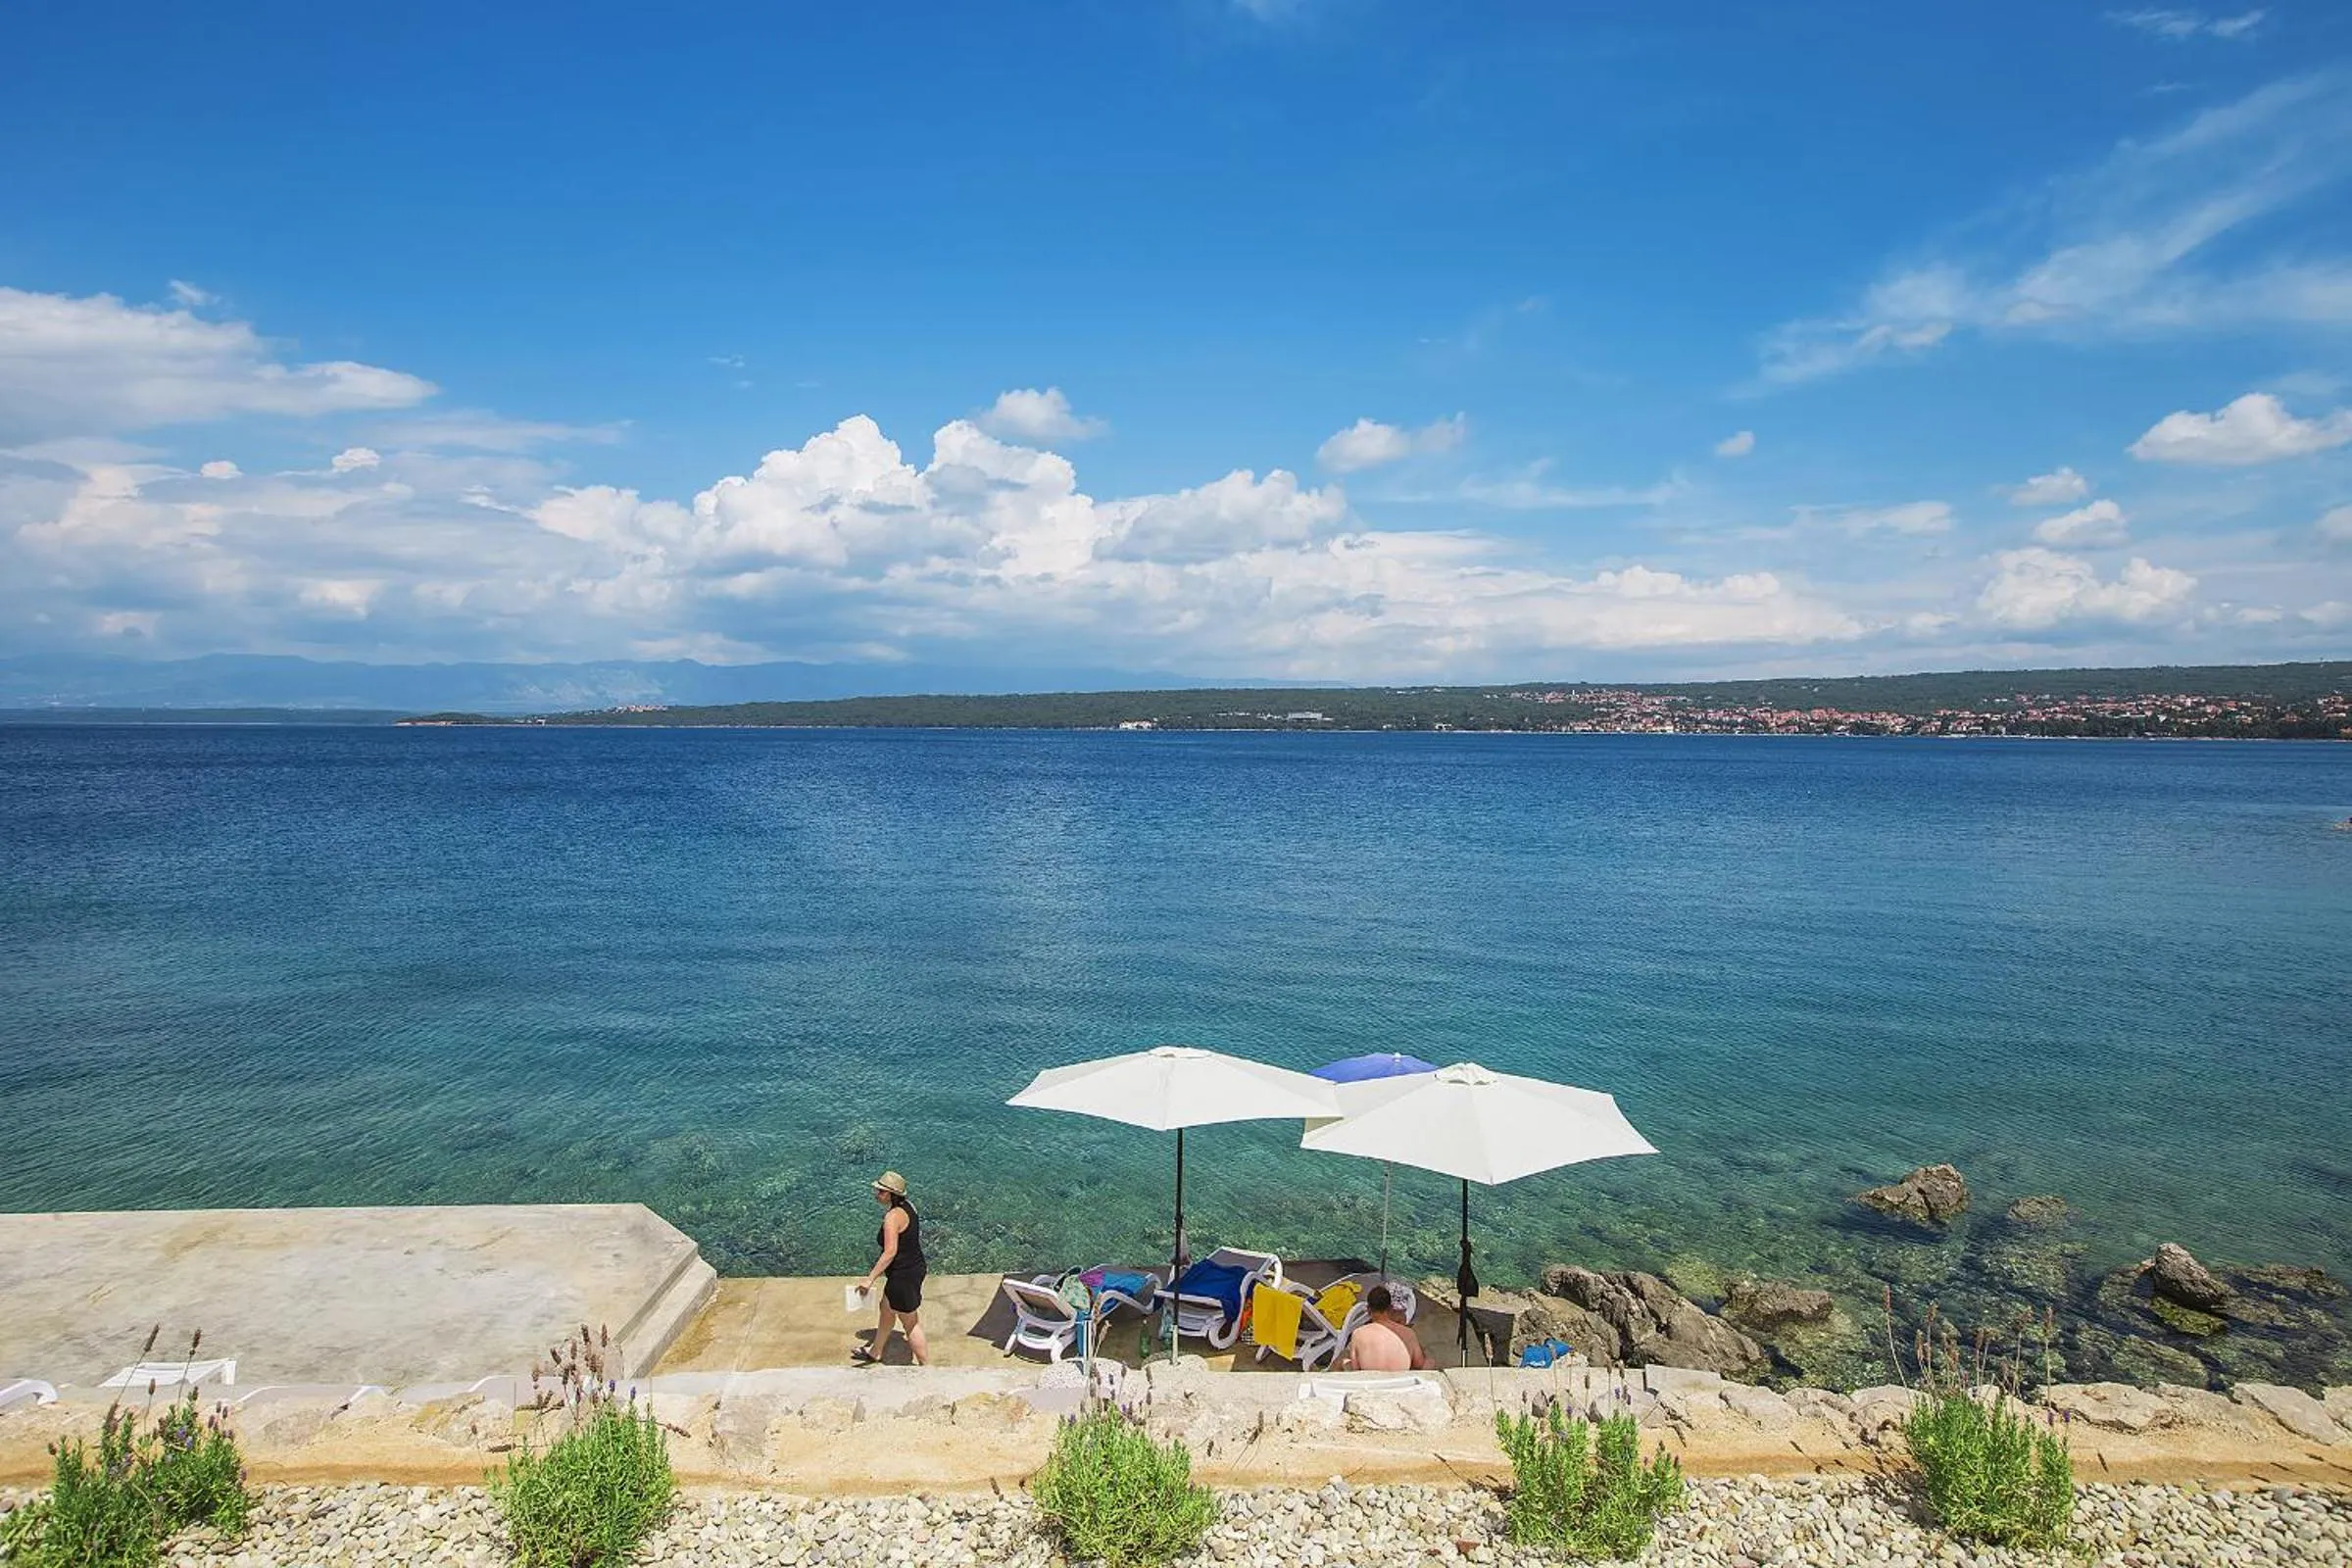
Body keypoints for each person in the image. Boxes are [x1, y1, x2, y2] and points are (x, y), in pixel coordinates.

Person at [853, 1170, 929, 1365]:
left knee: (910, 1323)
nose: (876, 1194)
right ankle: (876, 1351)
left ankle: (927, 1367)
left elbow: (890, 1252)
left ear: (891, 1194)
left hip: (902, 1276)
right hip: (914, 1268)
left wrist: (870, 1279)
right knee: (886, 1308)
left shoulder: (892, 1218)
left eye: (880, 1191)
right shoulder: (909, 1207)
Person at [1341, 1284, 1428, 1372]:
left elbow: (1356, 1368)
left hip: (1370, 1383)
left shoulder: (1358, 1334)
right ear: (1390, 1308)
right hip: (1399, 1383)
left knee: (1344, 1361)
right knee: (1430, 1361)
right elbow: (1419, 1364)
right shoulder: (1409, 1333)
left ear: (1368, 1309)